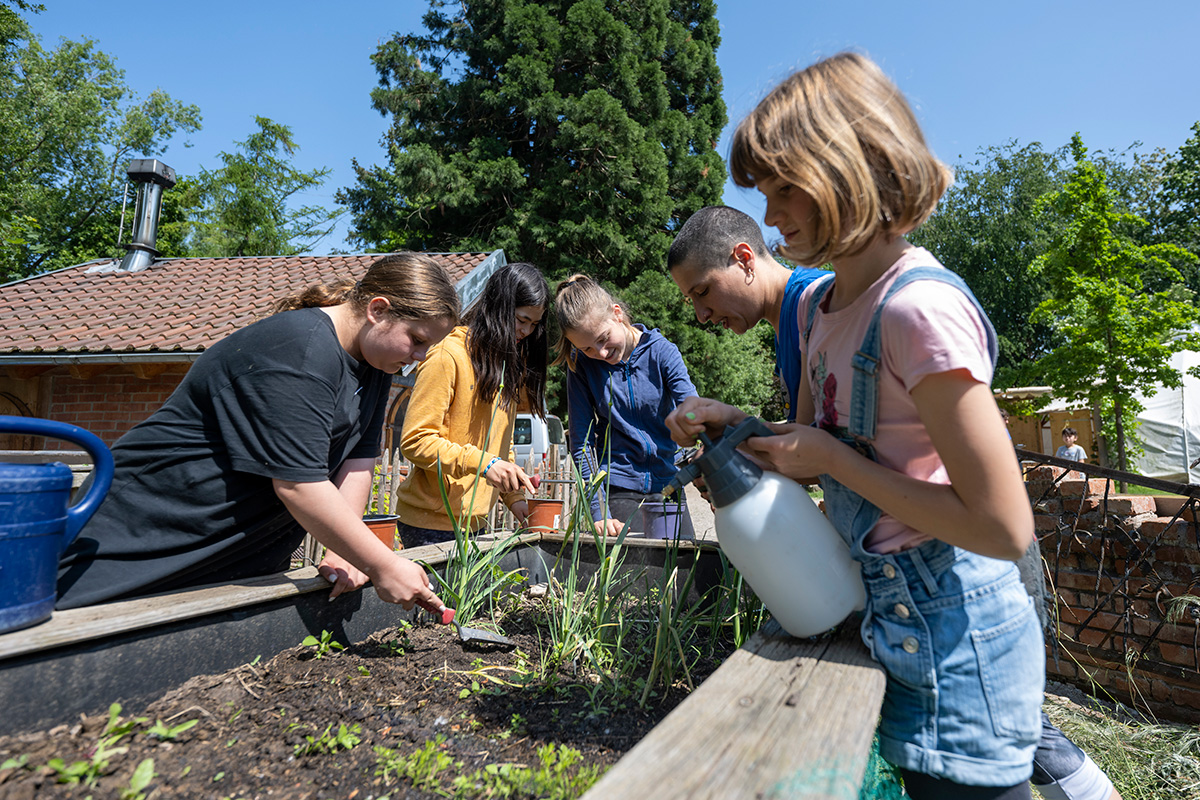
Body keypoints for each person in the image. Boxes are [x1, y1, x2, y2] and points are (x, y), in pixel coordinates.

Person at [666, 53, 1103, 800]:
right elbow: (829, 445)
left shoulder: (917, 310)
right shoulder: (829, 311)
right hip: (894, 626)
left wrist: (833, 461)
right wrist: (746, 430)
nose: (771, 218)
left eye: (782, 190)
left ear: (848, 168)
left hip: (959, 637)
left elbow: (1002, 527)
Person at [58, 253, 459, 614]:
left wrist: (347, 553)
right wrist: (382, 563)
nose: (419, 358)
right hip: (144, 535)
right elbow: (299, 484)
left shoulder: (374, 364)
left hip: (228, 555)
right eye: (418, 339)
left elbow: (358, 461)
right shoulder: (301, 349)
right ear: (377, 310)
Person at [393, 262, 548, 547]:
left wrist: (515, 498)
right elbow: (416, 440)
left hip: (476, 523)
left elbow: (501, 445)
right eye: (521, 319)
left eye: (534, 325)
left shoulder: (504, 367)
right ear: (499, 308)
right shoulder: (446, 355)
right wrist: (485, 464)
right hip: (430, 523)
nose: (526, 331)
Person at [553, 274, 698, 537]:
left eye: (603, 338)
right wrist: (598, 510)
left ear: (617, 313)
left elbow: (691, 406)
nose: (601, 353)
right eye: (587, 348)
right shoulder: (581, 366)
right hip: (617, 487)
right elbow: (582, 442)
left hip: (668, 484)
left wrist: (699, 438)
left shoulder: (662, 352)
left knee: (683, 574)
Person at [667, 205, 826, 422]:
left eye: (703, 291)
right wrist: (729, 426)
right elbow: (804, 438)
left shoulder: (817, 303)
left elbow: (819, 443)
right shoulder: (786, 318)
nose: (701, 316)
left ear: (743, 259)